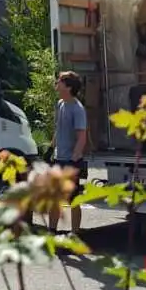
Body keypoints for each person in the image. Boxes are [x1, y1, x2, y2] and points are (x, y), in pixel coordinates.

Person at [49, 70, 87, 236]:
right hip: (59, 158)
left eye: (60, 81)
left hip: (71, 161)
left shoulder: (77, 109)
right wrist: (51, 147)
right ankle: (51, 231)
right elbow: (58, 128)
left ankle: (75, 233)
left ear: (69, 87)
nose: (57, 83)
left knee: (73, 199)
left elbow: (82, 137)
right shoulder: (60, 104)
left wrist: (74, 159)